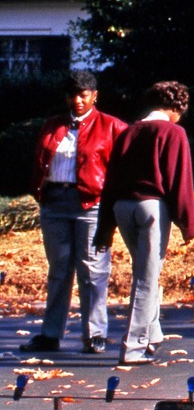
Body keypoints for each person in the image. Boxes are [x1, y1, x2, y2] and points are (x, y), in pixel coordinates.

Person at [22, 71, 127, 354]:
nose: (77, 100)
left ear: (95, 96)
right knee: (59, 270)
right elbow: (40, 161)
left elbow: (123, 168)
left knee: (93, 271)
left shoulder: (112, 127)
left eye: (83, 94)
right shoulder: (53, 125)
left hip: (91, 204)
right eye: (72, 94)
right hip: (54, 202)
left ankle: (94, 334)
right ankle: (50, 334)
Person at [94, 80, 194, 366]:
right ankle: (134, 346)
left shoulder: (128, 132)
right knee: (146, 278)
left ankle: (153, 334)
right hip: (152, 207)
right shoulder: (173, 132)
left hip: (122, 207)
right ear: (176, 107)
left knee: (144, 269)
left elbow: (111, 179)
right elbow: (179, 180)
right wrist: (188, 225)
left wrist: (104, 228)